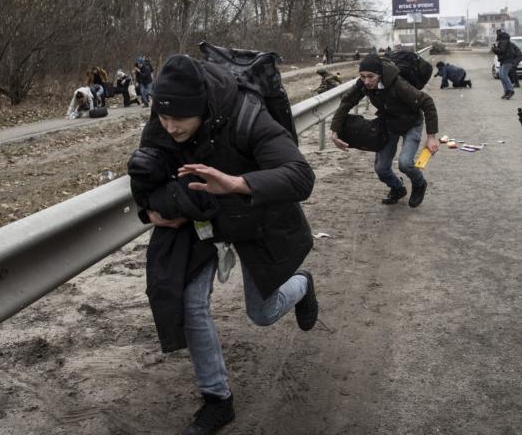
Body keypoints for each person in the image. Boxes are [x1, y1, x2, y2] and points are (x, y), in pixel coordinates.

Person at [127, 54, 319, 434]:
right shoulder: (164, 121)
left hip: (253, 214)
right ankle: (217, 399)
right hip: (200, 215)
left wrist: (237, 184)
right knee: (189, 302)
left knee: (262, 313)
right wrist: (147, 211)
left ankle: (302, 285)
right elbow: (147, 174)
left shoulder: (247, 115)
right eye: (162, 118)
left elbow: (300, 176)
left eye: (179, 118)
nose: (170, 127)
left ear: (202, 107)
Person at [329, 54, 440, 208]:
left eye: (370, 77)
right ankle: (397, 188)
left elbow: (426, 102)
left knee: (405, 163)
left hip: (411, 123)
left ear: (380, 75)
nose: (367, 81)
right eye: (362, 76)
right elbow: (347, 101)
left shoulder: (397, 84)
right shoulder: (363, 84)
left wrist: (431, 137)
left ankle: (419, 183)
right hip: (389, 124)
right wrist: (334, 131)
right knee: (381, 169)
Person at [492, 29, 522, 99]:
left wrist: (494, 49)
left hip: (507, 61)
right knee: (501, 76)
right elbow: (502, 50)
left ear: (499, 34)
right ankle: (506, 91)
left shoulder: (503, 41)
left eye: (497, 34)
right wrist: (496, 48)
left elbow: (502, 50)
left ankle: (510, 90)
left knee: (504, 76)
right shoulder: (504, 40)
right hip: (504, 61)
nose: (496, 36)